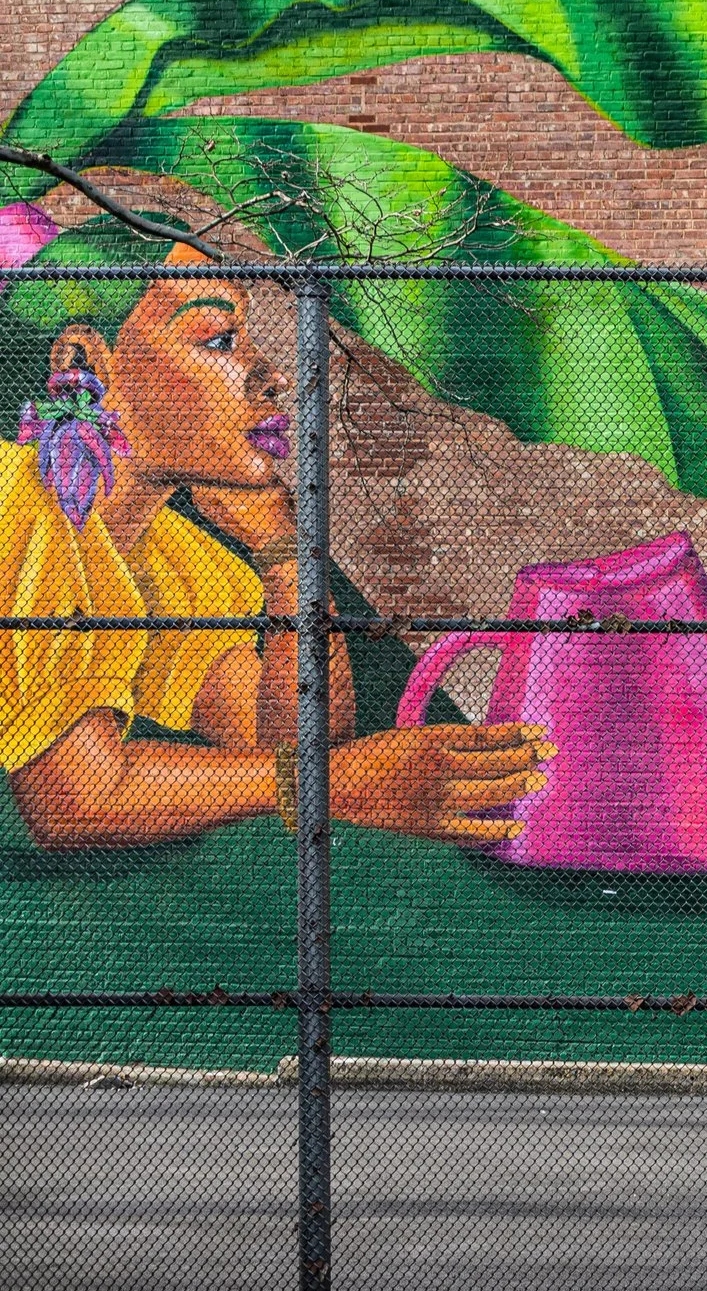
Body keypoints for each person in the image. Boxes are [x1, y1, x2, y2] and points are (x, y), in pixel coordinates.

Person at [0, 211, 554, 850]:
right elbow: (76, 804)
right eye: (218, 341)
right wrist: (332, 782)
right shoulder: (23, 508)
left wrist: (285, 558)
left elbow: (289, 739)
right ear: (84, 360)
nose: (273, 377)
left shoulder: (171, 559)